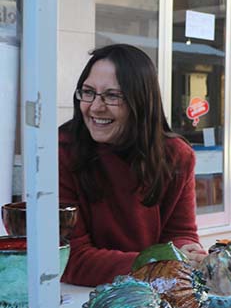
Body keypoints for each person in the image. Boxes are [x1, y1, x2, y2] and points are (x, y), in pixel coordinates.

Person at [60, 44, 207, 286]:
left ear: (141, 101)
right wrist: (159, 263)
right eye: (88, 92)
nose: (95, 107)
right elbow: (70, 259)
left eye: (112, 96)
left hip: (151, 295)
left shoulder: (176, 156)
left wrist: (188, 251)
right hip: (80, 299)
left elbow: (179, 233)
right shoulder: (62, 150)